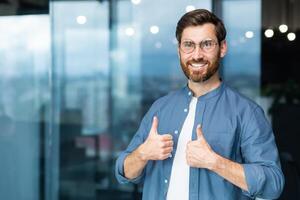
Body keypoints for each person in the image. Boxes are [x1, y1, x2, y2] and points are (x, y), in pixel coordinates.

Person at [115, 9, 284, 200]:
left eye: (207, 44)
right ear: (179, 50)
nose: (197, 55)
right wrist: (142, 154)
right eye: (189, 45)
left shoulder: (247, 112)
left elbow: (273, 185)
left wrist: (215, 162)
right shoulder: (160, 108)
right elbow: (123, 172)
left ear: (222, 48)